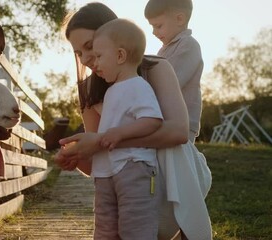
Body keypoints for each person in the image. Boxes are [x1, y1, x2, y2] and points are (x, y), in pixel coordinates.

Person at [56, 2, 212, 239]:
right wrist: (76, 156)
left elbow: (178, 132)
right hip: (122, 189)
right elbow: (96, 164)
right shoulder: (87, 90)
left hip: (169, 174)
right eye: (79, 52)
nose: (86, 58)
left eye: (90, 46)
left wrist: (102, 141)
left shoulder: (156, 68)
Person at [89, 18, 163, 238]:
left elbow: (152, 120)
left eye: (99, 56)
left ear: (120, 56)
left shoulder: (138, 86)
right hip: (106, 171)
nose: (95, 63)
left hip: (134, 167)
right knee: (104, 228)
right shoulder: (111, 91)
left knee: (136, 227)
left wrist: (120, 133)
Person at [145, 0, 203, 143]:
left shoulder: (188, 45)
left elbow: (172, 81)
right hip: (167, 119)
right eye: (152, 27)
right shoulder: (163, 50)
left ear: (180, 19)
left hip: (182, 121)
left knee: (177, 162)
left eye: (158, 26)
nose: (153, 32)